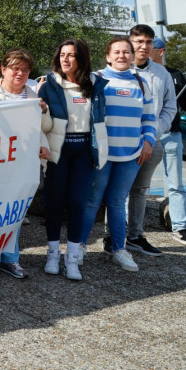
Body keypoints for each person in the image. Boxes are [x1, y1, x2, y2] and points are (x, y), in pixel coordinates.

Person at [78, 36, 156, 273]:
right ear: (108, 56)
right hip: (101, 154)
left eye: (126, 52)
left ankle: (118, 249)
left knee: (118, 202)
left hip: (131, 154)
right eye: (117, 52)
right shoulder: (96, 79)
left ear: (133, 56)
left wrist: (148, 142)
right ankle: (78, 247)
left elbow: (149, 119)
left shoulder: (142, 83)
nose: (122, 56)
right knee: (92, 201)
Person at [0, 49, 51, 281]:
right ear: (3, 70)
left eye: (25, 70)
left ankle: (10, 258)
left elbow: (42, 126)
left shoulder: (31, 93)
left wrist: (44, 113)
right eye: (15, 69)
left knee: (15, 212)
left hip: (23, 164)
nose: (20, 73)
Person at [38, 40, 108, 280]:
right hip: (59, 151)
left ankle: (73, 259)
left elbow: (101, 119)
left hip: (85, 151)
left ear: (82, 58)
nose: (65, 59)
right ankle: (53, 254)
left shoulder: (96, 84)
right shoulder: (49, 85)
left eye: (71, 55)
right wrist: (43, 111)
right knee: (54, 203)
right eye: (62, 55)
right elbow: (42, 125)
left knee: (78, 203)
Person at [120, 24, 176, 257]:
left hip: (151, 143)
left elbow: (170, 108)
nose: (144, 46)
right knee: (117, 191)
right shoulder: (118, 70)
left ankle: (135, 236)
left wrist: (153, 134)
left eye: (149, 42)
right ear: (131, 42)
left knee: (140, 191)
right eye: (139, 41)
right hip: (121, 142)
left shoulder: (162, 74)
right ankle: (112, 236)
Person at [151, 37, 186, 245]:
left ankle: (180, 227)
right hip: (145, 135)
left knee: (176, 184)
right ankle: (127, 228)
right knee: (136, 184)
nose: (143, 50)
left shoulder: (175, 75)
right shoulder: (140, 74)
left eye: (150, 47)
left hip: (171, 135)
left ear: (161, 51)